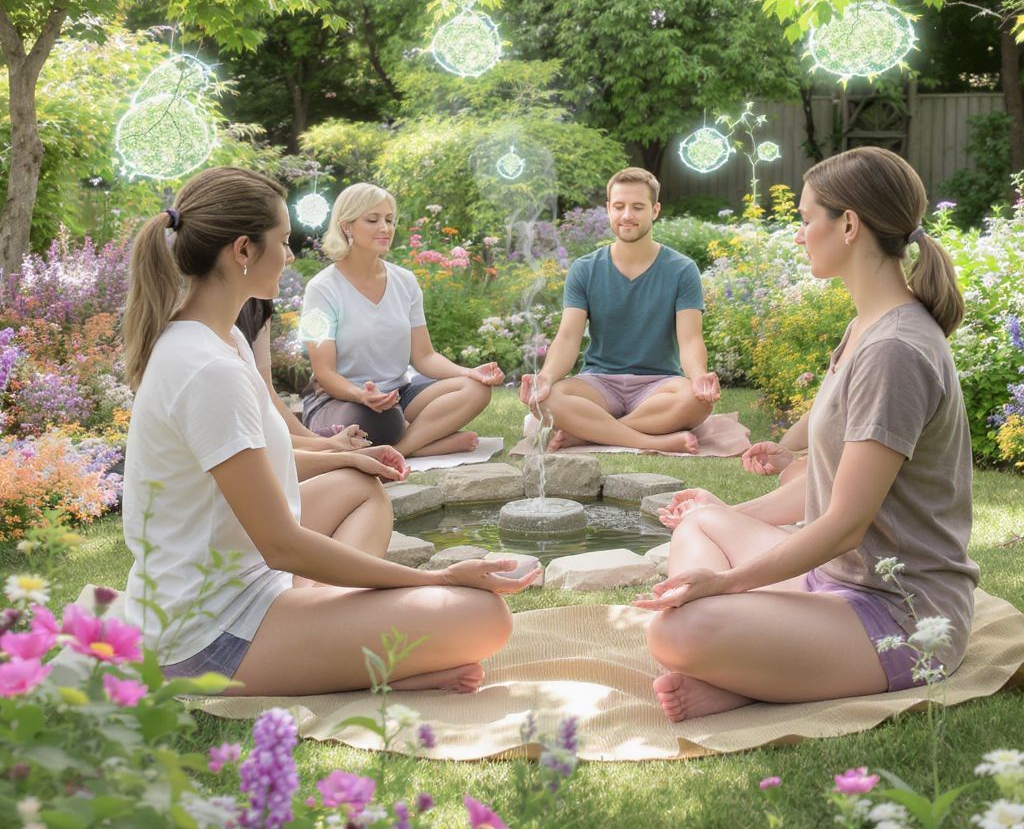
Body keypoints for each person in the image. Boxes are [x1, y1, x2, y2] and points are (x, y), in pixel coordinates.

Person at [121, 167, 538, 697]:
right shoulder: (211, 368)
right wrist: (437, 580)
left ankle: (323, 636)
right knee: (482, 615)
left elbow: (249, 464)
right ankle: (327, 647)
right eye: (284, 241)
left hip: (230, 575)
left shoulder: (218, 340)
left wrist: (345, 460)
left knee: (358, 489)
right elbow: (283, 546)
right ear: (244, 251)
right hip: (206, 636)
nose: (291, 254)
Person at [636, 146, 978, 722]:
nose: (798, 235)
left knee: (676, 632)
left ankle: (748, 674)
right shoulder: (866, 326)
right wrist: (737, 507)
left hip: (901, 616)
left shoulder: (895, 350)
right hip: (832, 583)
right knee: (701, 522)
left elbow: (846, 524)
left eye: (804, 219)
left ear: (848, 225)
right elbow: (832, 481)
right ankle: (759, 664)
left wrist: (725, 583)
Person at [520, 167, 720, 453]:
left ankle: (590, 432)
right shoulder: (585, 269)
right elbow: (567, 337)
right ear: (608, 209)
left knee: (696, 400)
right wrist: (547, 377)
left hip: (658, 385)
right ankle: (648, 439)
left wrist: (699, 376)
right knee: (545, 399)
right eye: (619, 206)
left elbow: (690, 340)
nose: (627, 215)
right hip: (598, 384)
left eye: (638, 207)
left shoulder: (682, 269)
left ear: (655, 210)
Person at [300, 182, 504, 458]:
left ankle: (402, 450)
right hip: (342, 400)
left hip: (399, 394)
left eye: (389, 220)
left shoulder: (405, 281)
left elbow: (425, 357)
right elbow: (325, 373)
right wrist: (362, 395)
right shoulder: (321, 289)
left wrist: (467, 372)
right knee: (380, 422)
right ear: (346, 226)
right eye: (372, 220)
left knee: (476, 390)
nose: (385, 228)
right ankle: (424, 441)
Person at [235, 298, 409, 484]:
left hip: (394, 395)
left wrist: (331, 446)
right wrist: (336, 451)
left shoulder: (257, 307)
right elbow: (255, 454)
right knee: (366, 474)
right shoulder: (217, 350)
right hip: (331, 402)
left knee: (390, 421)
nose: (284, 269)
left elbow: (266, 393)